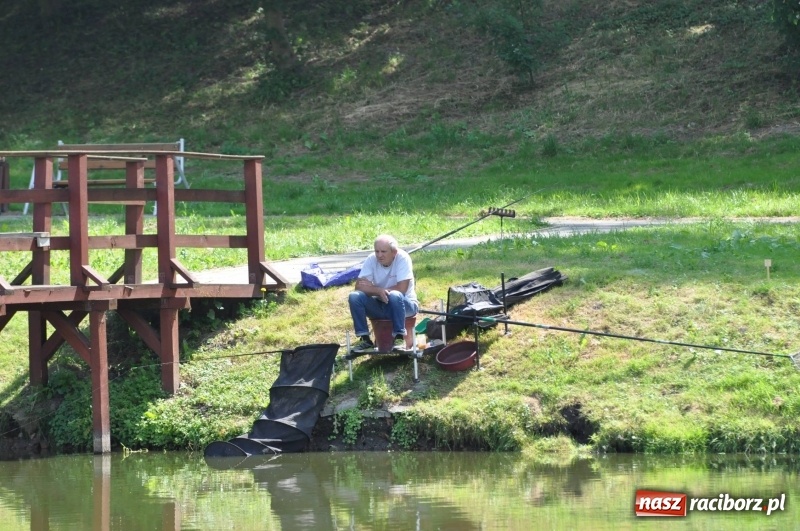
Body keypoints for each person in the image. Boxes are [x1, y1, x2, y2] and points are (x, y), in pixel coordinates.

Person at [348, 234, 418, 353]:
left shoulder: (403, 258)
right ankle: (365, 339)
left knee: (395, 295)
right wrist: (378, 291)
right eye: (377, 251)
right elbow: (359, 286)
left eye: (383, 251)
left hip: (405, 304)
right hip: (380, 303)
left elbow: (402, 288)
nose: (379, 255)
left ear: (394, 252)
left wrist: (375, 289)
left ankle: (399, 338)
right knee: (354, 297)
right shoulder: (371, 259)